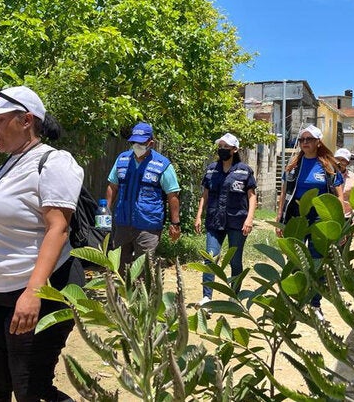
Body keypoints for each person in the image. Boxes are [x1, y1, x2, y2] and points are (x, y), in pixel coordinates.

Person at [0, 85, 84, 402]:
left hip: (39, 290)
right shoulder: (9, 164)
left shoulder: (54, 162)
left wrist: (33, 291)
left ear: (26, 120)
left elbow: (58, 228)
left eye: (0, 122)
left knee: (32, 390)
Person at [276, 125, 344, 322]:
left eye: (309, 139)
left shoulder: (329, 167)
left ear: (318, 142)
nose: (305, 143)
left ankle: (315, 304)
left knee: (316, 261)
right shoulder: (293, 166)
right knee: (295, 258)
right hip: (296, 216)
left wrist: (340, 223)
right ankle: (296, 302)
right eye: (302, 140)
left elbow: (338, 197)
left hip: (320, 217)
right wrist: (280, 217)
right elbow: (284, 193)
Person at [105, 122, 181, 270]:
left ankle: (144, 294)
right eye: (134, 142)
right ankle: (125, 294)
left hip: (148, 227)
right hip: (122, 224)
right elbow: (112, 186)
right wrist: (106, 210)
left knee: (143, 270)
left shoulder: (162, 164)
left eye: (141, 143)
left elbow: (173, 195)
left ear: (150, 143)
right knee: (121, 269)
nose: (136, 145)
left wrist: (175, 223)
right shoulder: (122, 159)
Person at [194, 133, 257, 306]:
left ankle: (235, 295)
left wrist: (249, 219)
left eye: (225, 147)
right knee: (210, 258)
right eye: (220, 147)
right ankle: (207, 296)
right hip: (215, 220)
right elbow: (205, 194)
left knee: (235, 260)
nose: (222, 150)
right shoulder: (211, 169)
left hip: (237, 221)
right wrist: (199, 215)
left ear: (234, 150)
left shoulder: (244, 170)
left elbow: (252, 197)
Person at [334, 148, 354, 226]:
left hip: (346, 218)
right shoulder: (325, 176)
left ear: (348, 163)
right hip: (327, 216)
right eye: (337, 159)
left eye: (343, 160)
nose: (339, 162)